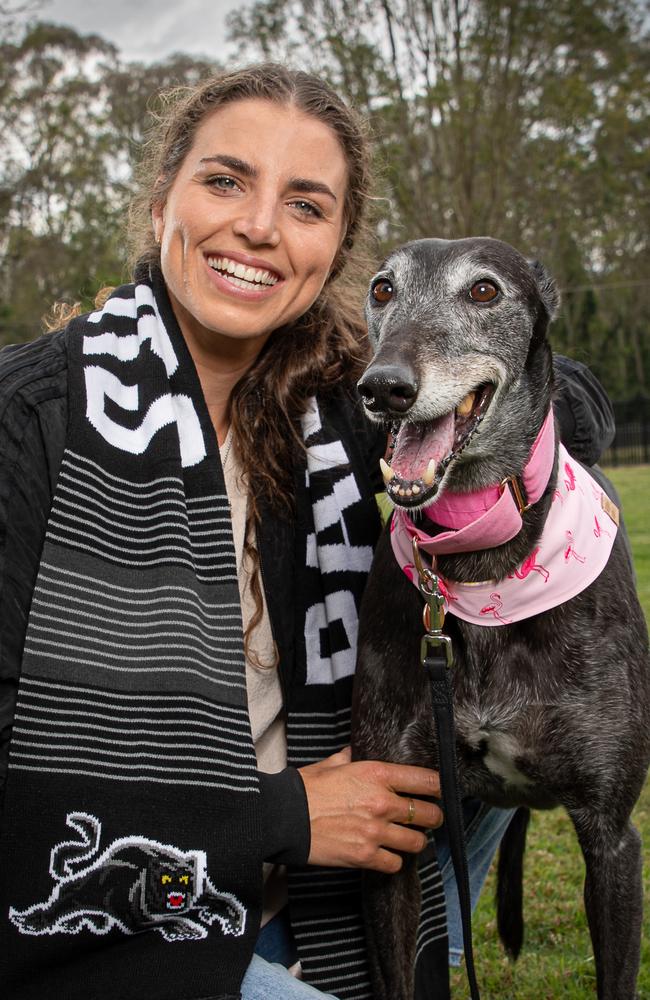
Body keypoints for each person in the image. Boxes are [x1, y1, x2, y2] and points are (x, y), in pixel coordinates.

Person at [0, 64, 614, 1000]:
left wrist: (501, 406)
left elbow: (570, 396)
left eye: (306, 204)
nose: (259, 227)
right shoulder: (32, 419)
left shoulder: (342, 404)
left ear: (334, 249)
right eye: (225, 181)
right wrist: (281, 817)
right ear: (163, 195)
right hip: (147, 921)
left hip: (329, 891)